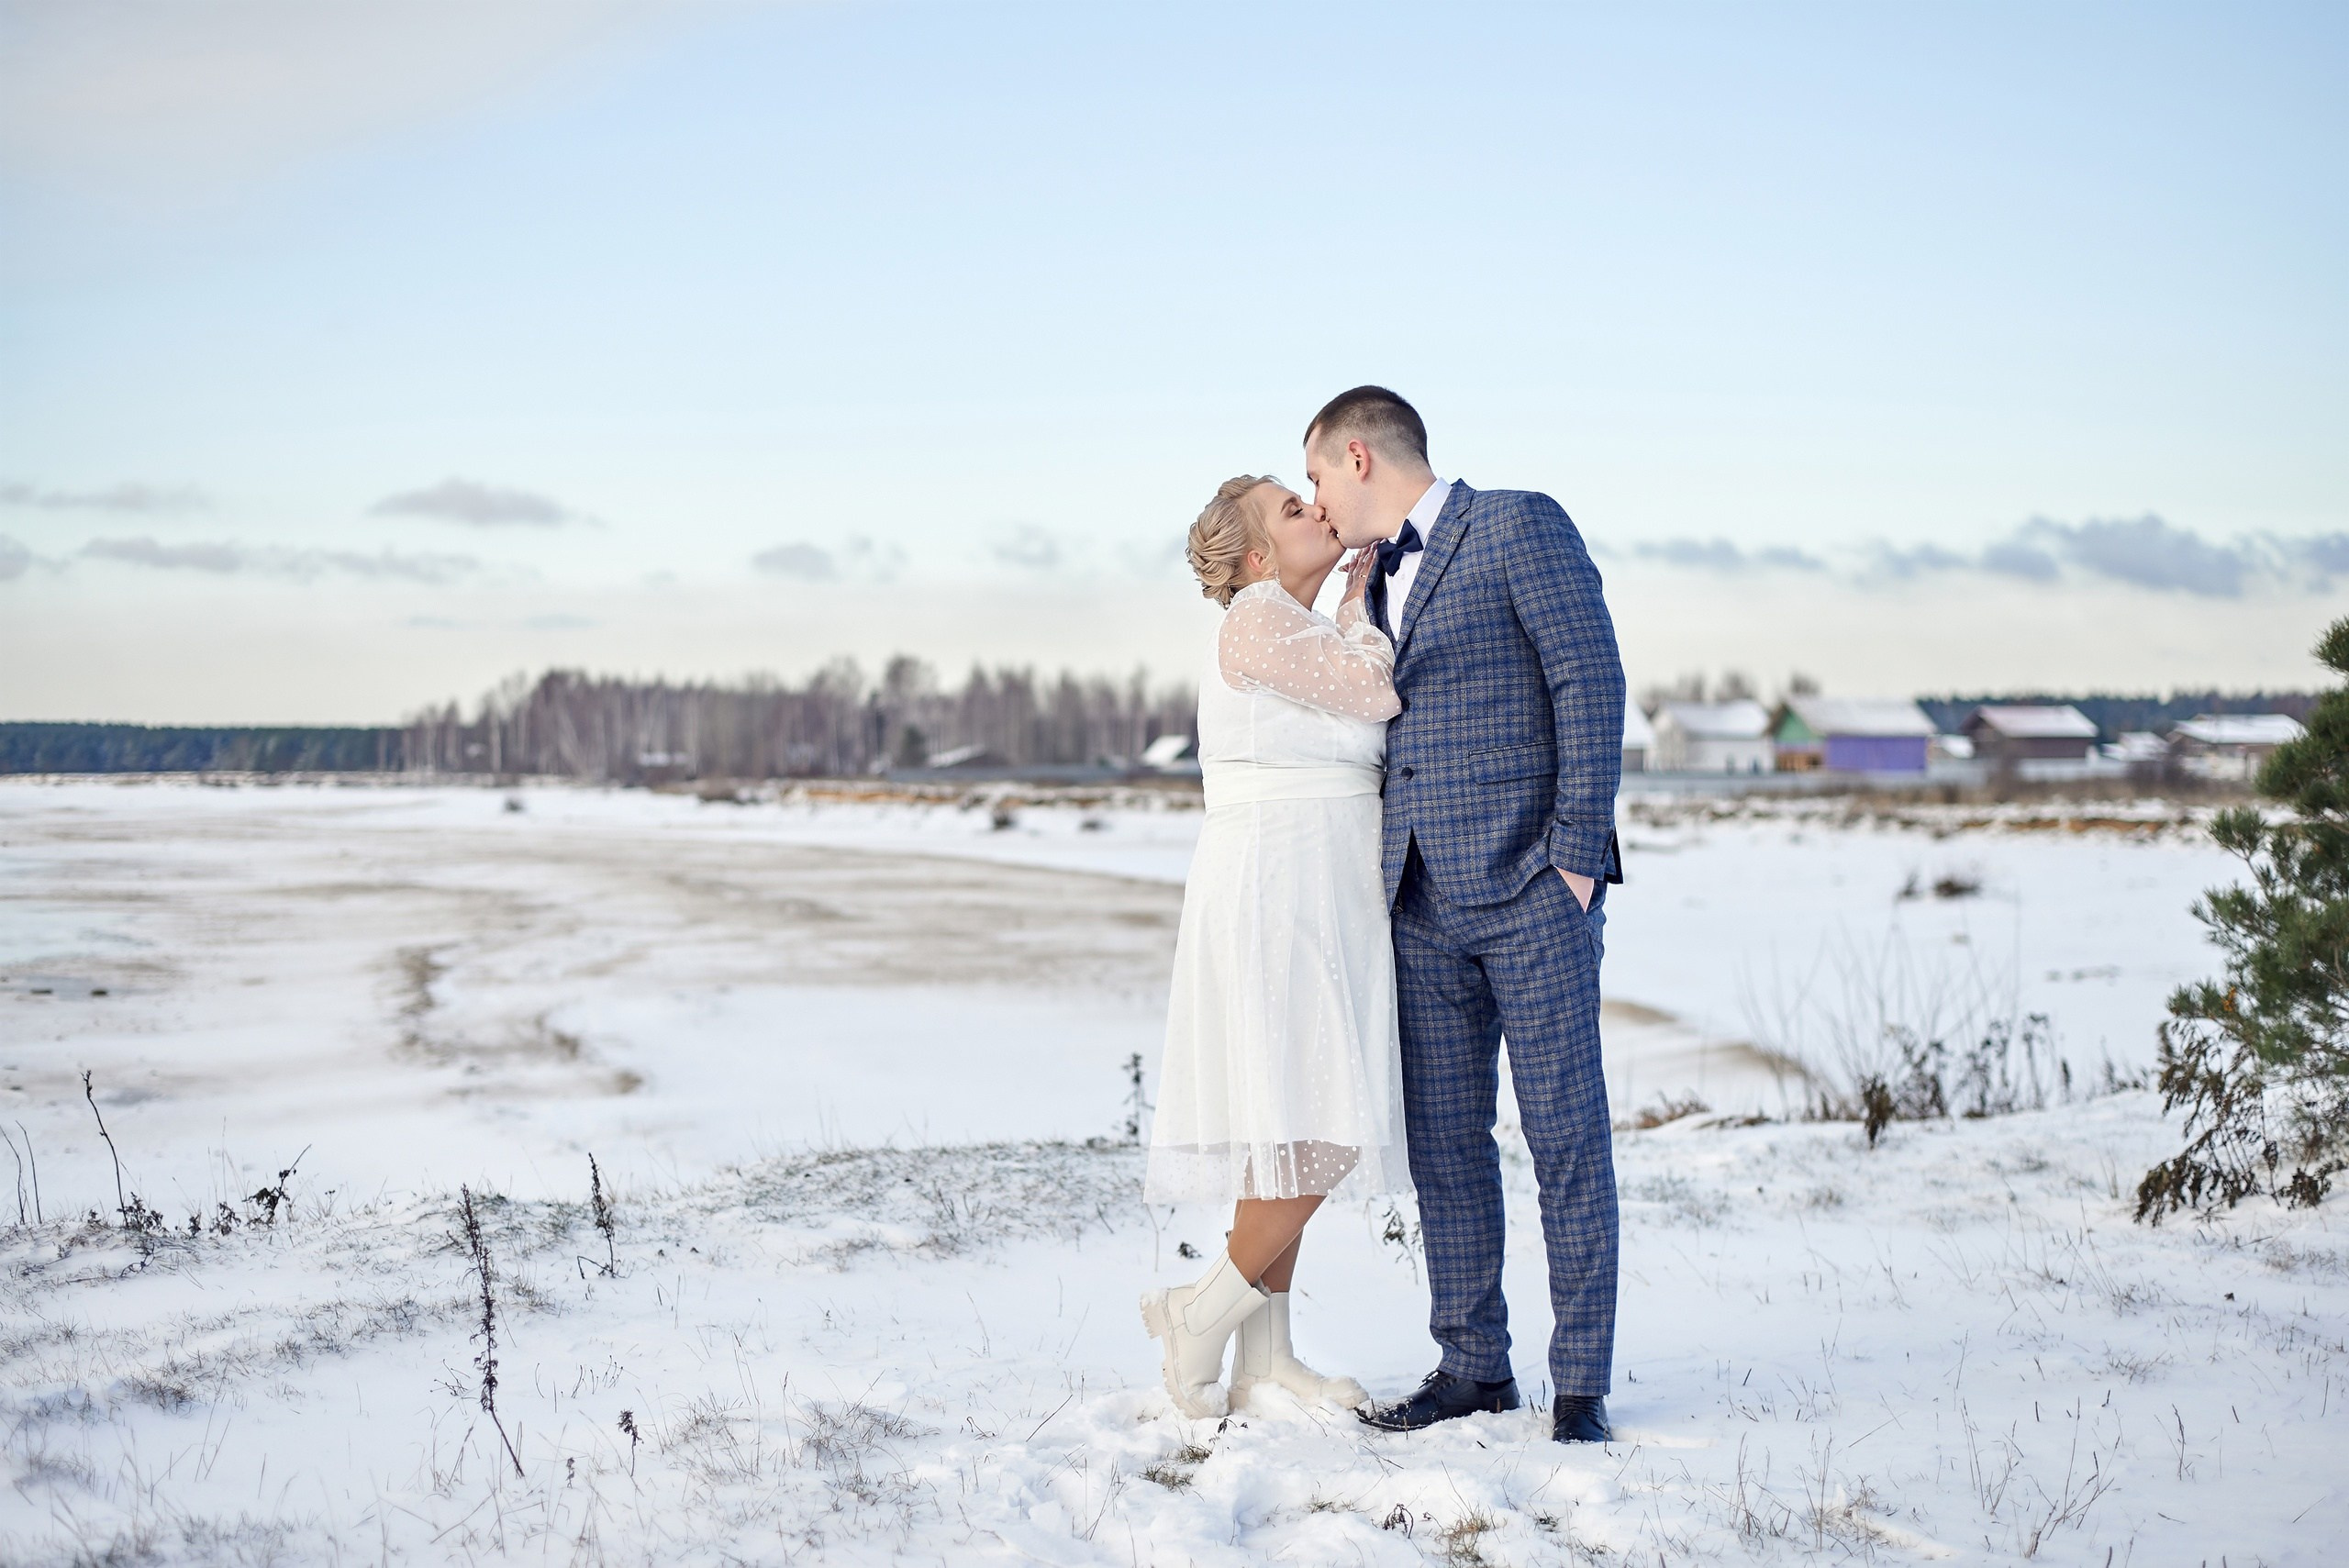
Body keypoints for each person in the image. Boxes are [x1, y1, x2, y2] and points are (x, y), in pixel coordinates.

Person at [1304, 386, 1627, 1445]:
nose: (1316, 498)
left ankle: (1578, 1385)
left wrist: (1575, 856)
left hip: (1534, 890)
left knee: (1565, 1135)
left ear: (1358, 456)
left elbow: (1588, 674)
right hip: (1418, 900)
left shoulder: (1517, 522)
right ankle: (1473, 1366)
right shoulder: (1370, 577)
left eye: (1314, 477)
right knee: (1446, 1143)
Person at [1140, 474, 1411, 1419]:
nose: (1316, 510)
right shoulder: (1254, 619)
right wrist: (1355, 603)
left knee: (1289, 1119)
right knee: (1329, 1120)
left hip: (1317, 882)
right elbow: (1375, 693)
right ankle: (1201, 1312)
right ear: (1256, 557)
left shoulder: (1294, 630)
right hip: (1276, 884)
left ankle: (1266, 1357)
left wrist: (1340, 605)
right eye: (1293, 510)